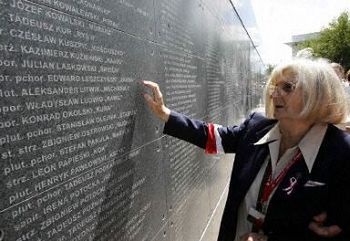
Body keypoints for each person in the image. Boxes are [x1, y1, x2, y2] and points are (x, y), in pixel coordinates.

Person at [142, 58, 350, 241]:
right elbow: (216, 137)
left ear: (317, 95)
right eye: (274, 85)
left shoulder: (341, 152)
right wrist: (165, 113)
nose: (274, 93)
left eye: (287, 87)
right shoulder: (257, 125)